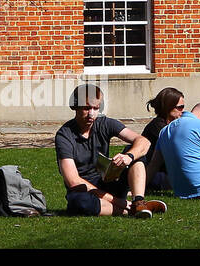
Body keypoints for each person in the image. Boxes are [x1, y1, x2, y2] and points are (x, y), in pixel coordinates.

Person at [54, 83, 166, 218]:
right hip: (84, 190)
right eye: (86, 108)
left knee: (135, 152)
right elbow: (73, 181)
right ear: (75, 106)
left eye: (96, 108)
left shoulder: (105, 123)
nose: (91, 114)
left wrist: (129, 156)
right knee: (80, 202)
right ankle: (133, 210)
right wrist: (117, 201)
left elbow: (144, 142)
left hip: (108, 182)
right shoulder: (64, 135)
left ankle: (138, 201)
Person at [123, 87, 184, 197]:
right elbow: (179, 149)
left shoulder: (172, 125)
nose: (182, 111)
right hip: (149, 173)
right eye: (180, 107)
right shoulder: (158, 126)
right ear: (168, 107)